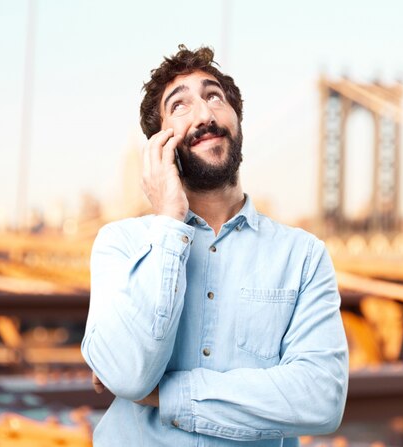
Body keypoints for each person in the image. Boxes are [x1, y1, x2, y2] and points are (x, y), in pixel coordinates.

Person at [81, 45, 349, 446]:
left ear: (236, 120)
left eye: (213, 97)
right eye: (181, 106)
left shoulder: (303, 257)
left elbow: (321, 399)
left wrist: (168, 395)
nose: (204, 115)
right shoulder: (120, 245)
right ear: (159, 143)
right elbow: (130, 375)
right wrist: (169, 219)